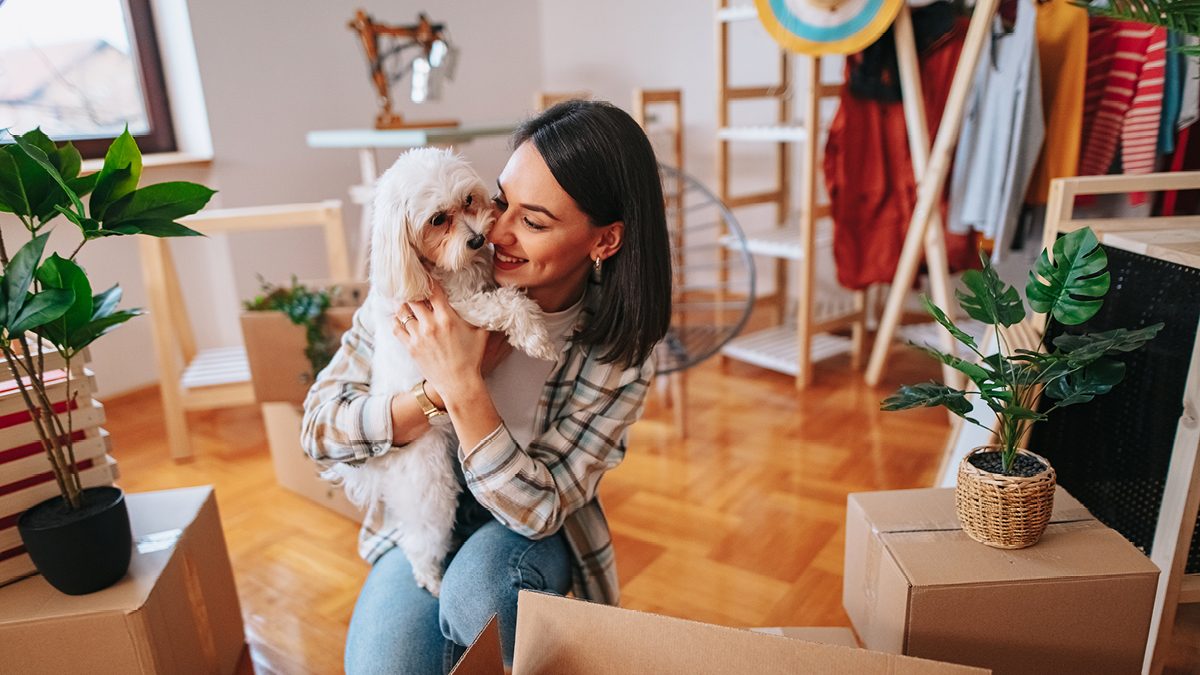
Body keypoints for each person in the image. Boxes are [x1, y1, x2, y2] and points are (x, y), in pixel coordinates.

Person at [300, 99, 672, 674]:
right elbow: (319, 430)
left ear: (604, 242)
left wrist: (463, 385)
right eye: (501, 200)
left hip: (526, 525)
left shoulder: (617, 354)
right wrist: (429, 396)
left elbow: (539, 510)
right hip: (421, 515)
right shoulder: (411, 297)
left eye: (535, 221)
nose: (492, 231)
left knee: (483, 596)